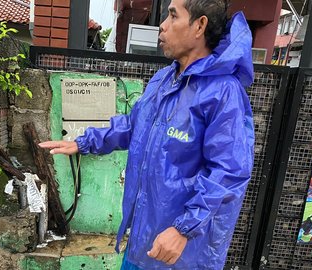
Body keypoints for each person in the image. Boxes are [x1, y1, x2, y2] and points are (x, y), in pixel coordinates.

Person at [39, 0, 254, 268]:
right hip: (145, 241)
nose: (161, 26)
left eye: (173, 16)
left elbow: (229, 172)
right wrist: (83, 142)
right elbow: (134, 126)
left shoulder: (224, 93)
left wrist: (183, 229)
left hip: (182, 252)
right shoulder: (164, 79)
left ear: (200, 25)